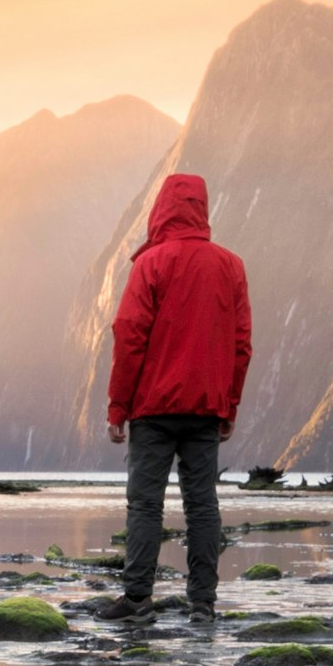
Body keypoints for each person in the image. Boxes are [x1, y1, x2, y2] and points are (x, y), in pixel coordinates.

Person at [102, 171, 251, 616]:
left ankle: (137, 598)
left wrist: (118, 406)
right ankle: (203, 602)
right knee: (203, 505)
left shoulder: (151, 264)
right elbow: (241, 343)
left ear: (161, 209)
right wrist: (230, 405)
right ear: (202, 210)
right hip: (206, 407)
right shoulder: (230, 265)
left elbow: (129, 335)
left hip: (152, 408)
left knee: (145, 503)